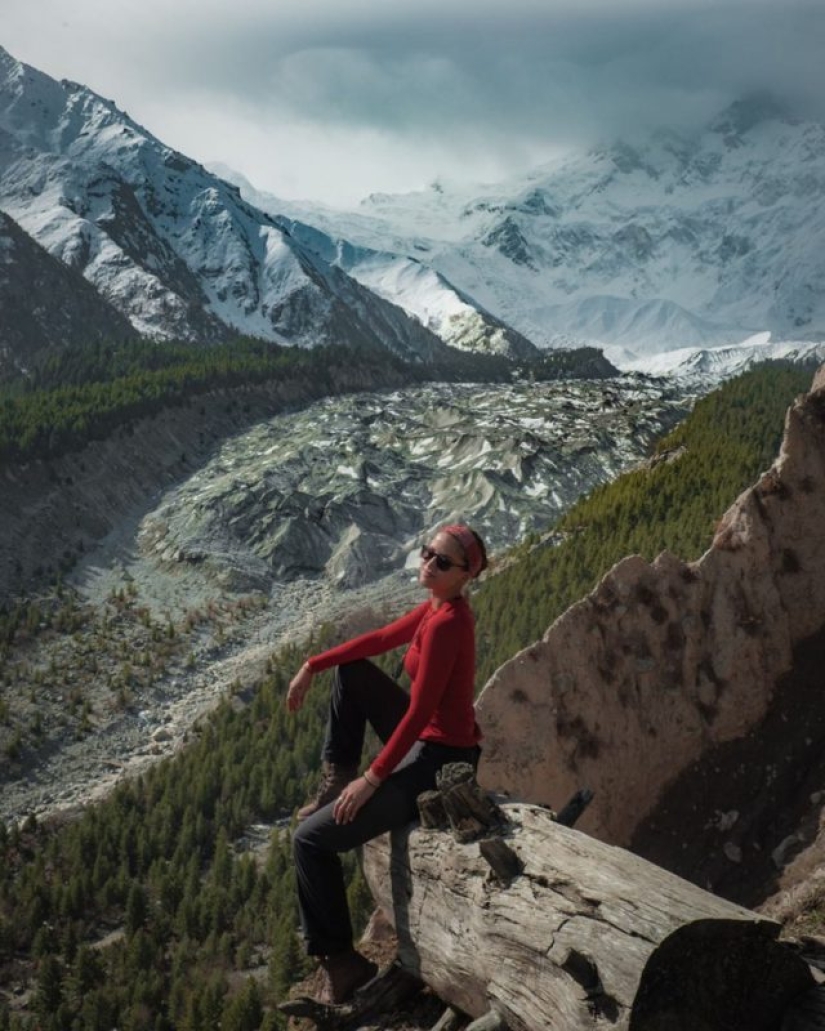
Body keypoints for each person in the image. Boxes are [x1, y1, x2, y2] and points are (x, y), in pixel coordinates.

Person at [286, 524, 488, 1005]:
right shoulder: (435, 608)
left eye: (441, 561)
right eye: (427, 553)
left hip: (439, 761)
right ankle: (335, 780)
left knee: (309, 841)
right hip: (430, 739)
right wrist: (313, 664)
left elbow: (419, 714)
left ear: (466, 574)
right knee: (351, 672)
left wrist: (372, 779)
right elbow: (377, 639)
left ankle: (341, 963)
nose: (428, 564)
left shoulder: (447, 624)